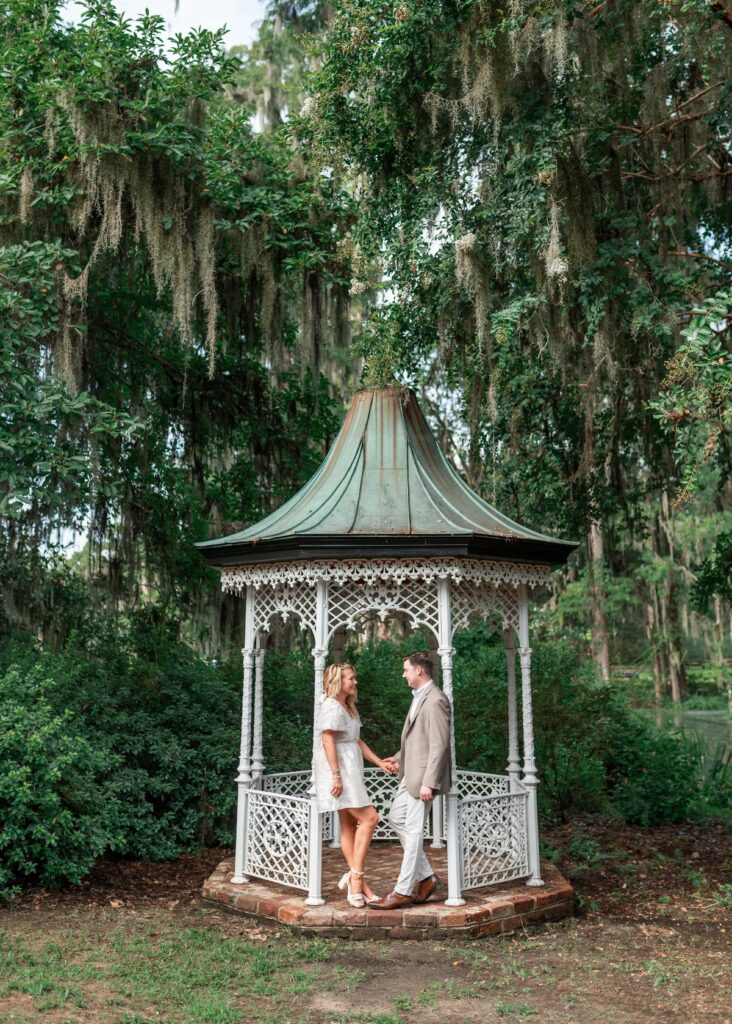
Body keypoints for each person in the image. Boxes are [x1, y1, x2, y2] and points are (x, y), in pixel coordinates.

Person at [370, 651, 451, 909]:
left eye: (406, 669)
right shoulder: (419, 698)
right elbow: (415, 742)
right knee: (395, 817)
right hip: (410, 774)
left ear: (419, 670)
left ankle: (402, 891)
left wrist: (431, 781)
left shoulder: (436, 699)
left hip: (423, 779)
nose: (403, 674)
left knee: (414, 832)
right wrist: (397, 759)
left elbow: (439, 744)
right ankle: (426, 877)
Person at [314, 662, 397, 907]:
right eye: (351, 678)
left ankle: (359, 884)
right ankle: (357, 878)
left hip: (351, 769)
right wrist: (336, 775)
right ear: (339, 681)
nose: (355, 682)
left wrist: (379, 762)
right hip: (338, 771)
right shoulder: (330, 706)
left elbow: (356, 741)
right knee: (371, 818)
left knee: (349, 826)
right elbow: (328, 740)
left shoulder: (347, 707)